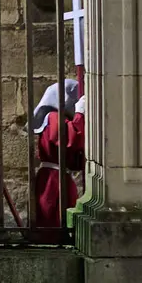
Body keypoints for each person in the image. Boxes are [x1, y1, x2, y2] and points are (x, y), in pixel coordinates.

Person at [30, 79, 86, 241]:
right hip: (53, 180)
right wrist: (80, 116)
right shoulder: (53, 116)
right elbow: (67, 140)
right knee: (52, 221)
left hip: (58, 177)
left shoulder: (57, 118)